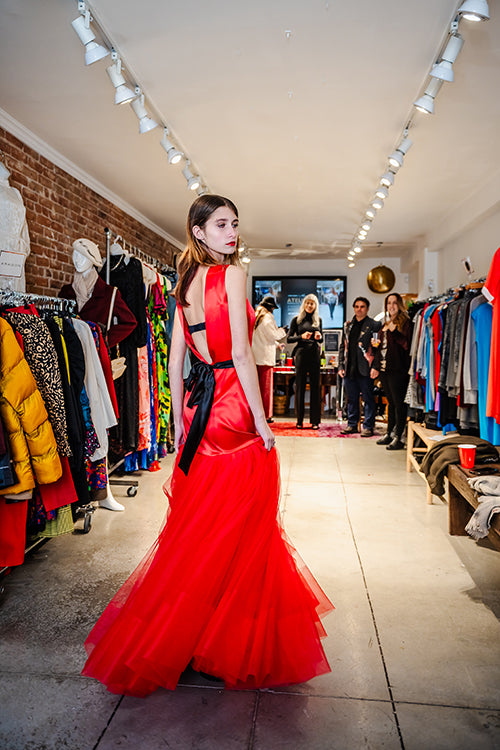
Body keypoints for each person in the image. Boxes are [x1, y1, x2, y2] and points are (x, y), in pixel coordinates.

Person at [81, 195, 333, 695]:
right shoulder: (232, 275)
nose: (231, 232)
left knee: (202, 528)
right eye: (220, 224)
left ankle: (185, 634)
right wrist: (261, 421)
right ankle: (227, 640)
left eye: (234, 223)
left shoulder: (184, 285)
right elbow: (239, 352)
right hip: (234, 408)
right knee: (245, 532)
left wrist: (179, 423)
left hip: (200, 412)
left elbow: (175, 359)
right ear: (198, 231)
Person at [370, 293, 413, 450]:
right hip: (385, 369)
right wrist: (375, 364)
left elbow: (408, 345)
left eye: (395, 303)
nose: (391, 306)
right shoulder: (385, 324)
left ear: (399, 305)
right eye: (389, 303)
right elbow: (380, 349)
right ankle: (390, 433)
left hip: (398, 369)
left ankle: (399, 437)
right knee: (391, 403)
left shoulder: (406, 323)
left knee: (399, 404)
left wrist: (394, 332)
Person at [338, 297, 381, 437]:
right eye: (356, 306)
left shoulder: (374, 325)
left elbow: (378, 348)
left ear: (367, 309)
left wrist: (375, 367)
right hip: (349, 367)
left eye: (362, 306)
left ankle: (368, 426)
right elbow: (342, 346)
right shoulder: (348, 326)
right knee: (351, 398)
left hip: (366, 367)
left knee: (368, 399)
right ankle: (352, 424)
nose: (359, 309)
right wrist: (340, 365)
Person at [287, 294, 323, 429]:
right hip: (301, 354)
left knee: (315, 388)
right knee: (300, 387)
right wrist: (301, 336)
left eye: (312, 303)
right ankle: (299, 420)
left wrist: (319, 337)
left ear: (315, 306)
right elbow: (289, 339)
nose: (309, 305)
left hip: (314, 354)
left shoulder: (318, 320)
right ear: (304, 304)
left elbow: (321, 339)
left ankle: (315, 421)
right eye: (307, 303)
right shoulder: (296, 320)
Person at [251, 296, 287, 423]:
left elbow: (262, 336)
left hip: (255, 357)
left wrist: (277, 345)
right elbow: (273, 335)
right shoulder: (267, 318)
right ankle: (266, 415)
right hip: (265, 359)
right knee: (266, 390)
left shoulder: (256, 316)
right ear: (271, 308)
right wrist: (283, 330)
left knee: (256, 389)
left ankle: (256, 415)